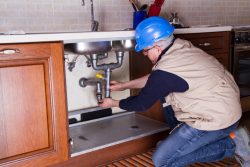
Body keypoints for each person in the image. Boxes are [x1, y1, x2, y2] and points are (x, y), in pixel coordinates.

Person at [99, 16, 250, 166]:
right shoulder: (180, 47)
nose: (145, 55)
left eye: (145, 50)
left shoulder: (166, 71)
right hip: (225, 109)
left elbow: (141, 103)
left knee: (162, 160)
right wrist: (124, 85)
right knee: (164, 99)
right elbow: (156, 80)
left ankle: (232, 145)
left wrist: (113, 103)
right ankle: (178, 144)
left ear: (157, 46)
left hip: (216, 120)